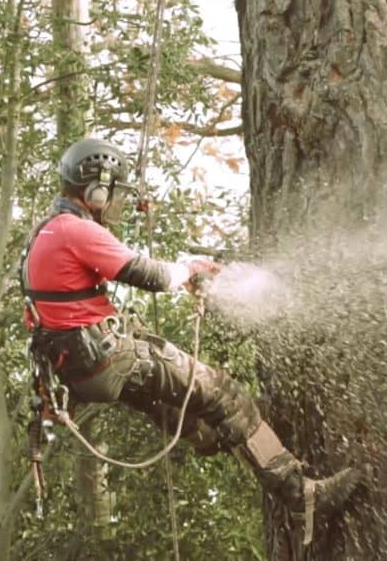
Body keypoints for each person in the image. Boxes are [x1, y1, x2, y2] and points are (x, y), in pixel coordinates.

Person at [20, 138, 358, 542]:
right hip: (109, 360)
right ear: (95, 189)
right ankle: (301, 494)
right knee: (223, 394)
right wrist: (192, 268)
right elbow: (155, 277)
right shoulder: (75, 230)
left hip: (83, 371)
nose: (115, 204)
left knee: (192, 416)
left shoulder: (46, 231)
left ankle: (244, 433)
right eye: (113, 193)